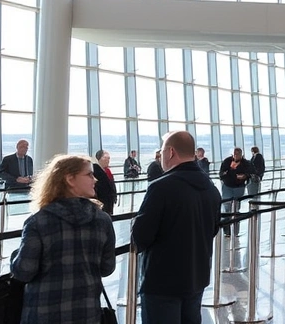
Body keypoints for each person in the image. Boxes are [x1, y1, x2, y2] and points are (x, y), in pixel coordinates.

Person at [10, 154, 116, 324]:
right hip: (88, 314)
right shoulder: (102, 220)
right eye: (89, 174)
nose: (95, 179)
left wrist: (15, 255)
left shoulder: (39, 221)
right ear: (70, 179)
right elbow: (107, 268)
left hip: (43, 314)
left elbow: (24, 271)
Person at [132, 131, 222, 324]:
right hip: (197, 277)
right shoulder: (211, 188)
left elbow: (141, 236)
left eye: (162, 150)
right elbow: (213, 228)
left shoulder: (161, 187)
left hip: (162, 283)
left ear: (171, 152)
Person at [219, 147, 251, 235]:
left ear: (241, 155)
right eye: (235, 154)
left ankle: (235, 230)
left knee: (236, 208)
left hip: (239, 187)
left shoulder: (245, 163)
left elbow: (249, 173)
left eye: (238, 154)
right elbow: (221, 172)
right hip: (227, 186)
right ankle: (227, 231)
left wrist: (244, 176)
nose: (236, 156)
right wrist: (228, 172)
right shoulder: (227, 161)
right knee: (227, 208)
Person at [92, 150, 117, 215]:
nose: (108, 160)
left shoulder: (107, 171)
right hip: (102, 202)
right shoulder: (95, 171)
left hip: (109, 201)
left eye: (109, 158)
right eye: (106, 158)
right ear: (99, 158)